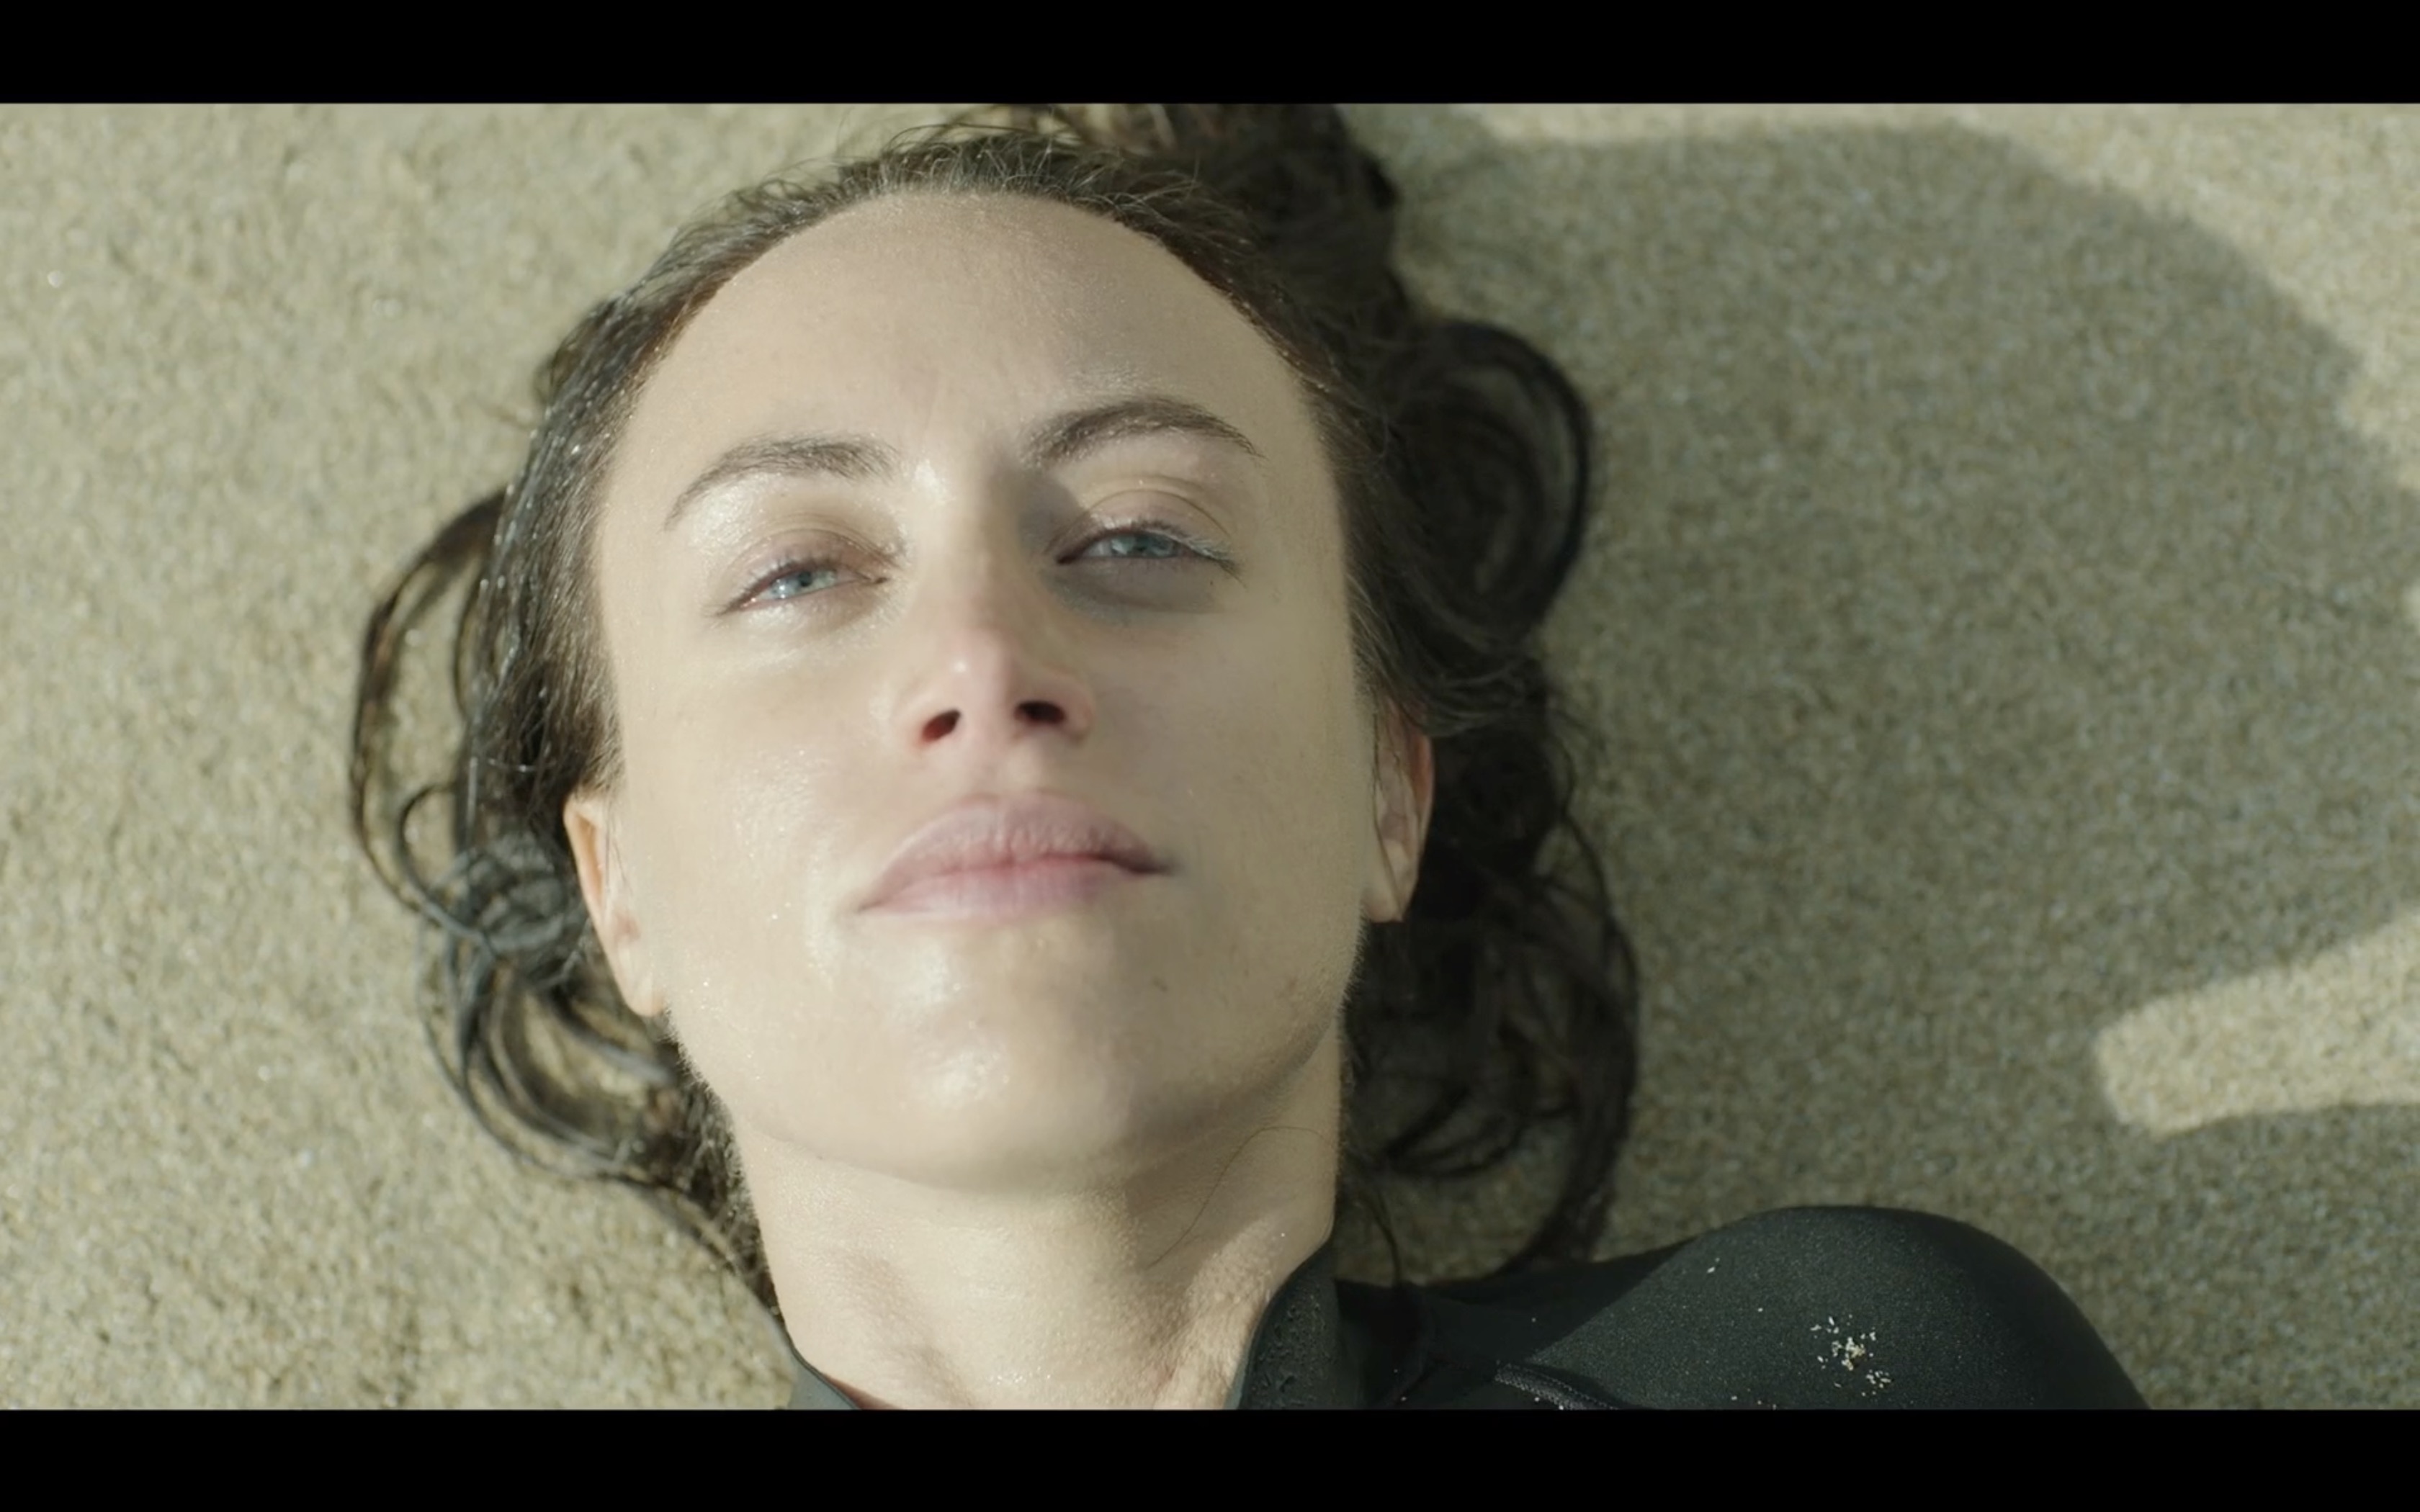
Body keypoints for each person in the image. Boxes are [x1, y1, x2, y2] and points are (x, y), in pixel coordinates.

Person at [350, 104, 2144, 1408]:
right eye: (799, 571)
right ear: (619, 889)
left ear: (1390, 790)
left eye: (1140, 535)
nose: (986, 659)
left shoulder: (1851, 1369)